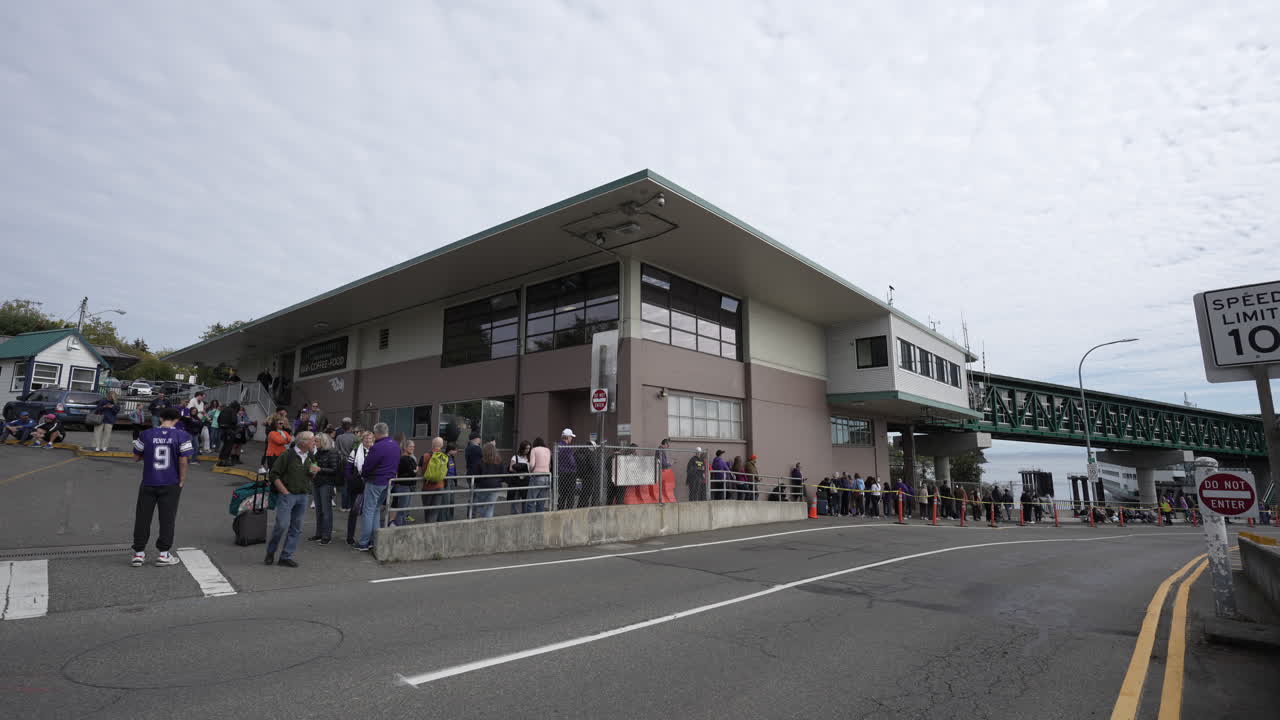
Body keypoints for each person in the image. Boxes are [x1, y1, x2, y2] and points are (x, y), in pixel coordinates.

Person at [129, 407, 193, 567]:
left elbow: (136, 457)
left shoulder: (146, 434)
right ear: (177, 420)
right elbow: (184, 460)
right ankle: (163, 554)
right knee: (167, 519)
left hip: (149, 481)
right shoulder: (182, 435)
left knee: (143, 517)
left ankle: (138, 553)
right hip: (170, 482)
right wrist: (182, 480)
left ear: (161, 418)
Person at [265, 430, 318, 567]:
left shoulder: (310, 456)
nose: (314, 443)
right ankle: (271, 552)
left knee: (296, 527)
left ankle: (286, 556)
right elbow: (274, 475)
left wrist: (313, 473)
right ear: (304, 443)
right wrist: (285, 492)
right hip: (288, 495)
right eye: (313, 440)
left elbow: (309, 476)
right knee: (281, 525)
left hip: (303, 495)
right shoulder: (287, 455)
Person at [356, 423, 398, 551]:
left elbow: (368, 465)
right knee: (375, 509)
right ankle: (374, 540)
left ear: (376, 433)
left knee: (368, 510)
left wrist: (364, 474)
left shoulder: (377, 447)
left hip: (375, 481)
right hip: (389, 481)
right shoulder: (395, 445)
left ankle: (364, 542)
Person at [308, 432, 339, 544]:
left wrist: (320, 469)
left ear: (323, 441)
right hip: (317, 483)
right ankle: (319, 533)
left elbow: (335, 470)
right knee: (319, 510)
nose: (314, 443)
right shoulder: (318, 452)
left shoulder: (332, 452)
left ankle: (326, 535)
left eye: (316, 441)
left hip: (327, 484)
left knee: (326, 511)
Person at [345, 431, 374, 545]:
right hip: (357, 485)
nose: (368, 441)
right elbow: (348, 468)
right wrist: (351, 479)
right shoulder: (355, 451)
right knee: (354, 511)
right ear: (362, 440)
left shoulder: (375, 451)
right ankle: (350, 536)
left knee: (368, 512)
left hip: (371, 485)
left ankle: (367, 538)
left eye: (370, 439)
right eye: (366, 438)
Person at [389, 439, 418, 526]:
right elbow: (411, 472)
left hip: (409, 486)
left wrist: (414, 471)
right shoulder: (402, 459)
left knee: (404, 510)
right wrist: (414, 471)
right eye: (410, 446)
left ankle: (400, 526)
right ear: (405, 447)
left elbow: (414, 471)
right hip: (403, 486)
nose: (412, 448)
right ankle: (398, 527)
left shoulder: (411, 458)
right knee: (401, 509)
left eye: (413, 446)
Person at [420, 436, 450, 522]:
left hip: (427, 487)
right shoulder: (445, 457)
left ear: (432, 444)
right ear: (442, 445)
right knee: (435, 511)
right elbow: (446, 472)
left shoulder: (425, 456)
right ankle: (432, 528)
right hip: (440, 486)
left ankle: (427, 527)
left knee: (427, 510)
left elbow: (419, 471)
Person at [472, 441, 505, 519]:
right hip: (495, 487)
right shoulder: (499, 461)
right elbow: (503, 474)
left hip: (483, 486)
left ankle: (482, 519)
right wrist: (499, 481)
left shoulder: (480, 462)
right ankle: (487, 522)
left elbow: (476, 476)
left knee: (479, 505)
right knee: (490, 507)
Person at [334, 419, 357, 510]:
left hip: (342, 461)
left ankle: (344, 505)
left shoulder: (339, 437)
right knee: (351, 484)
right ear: (351, 428)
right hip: (352, 461)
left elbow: (336, 450)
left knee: (344, 484)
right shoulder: (355, 438)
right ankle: (350, 505)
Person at [527, 437, 551, 513]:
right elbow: (549, 464)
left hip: (537, 476)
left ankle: (530, 518)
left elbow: (531, 464)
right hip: (547, 477)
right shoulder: (548, 450)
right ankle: (539, 519)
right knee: (541, 502)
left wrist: (530, 471)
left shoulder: (534, 450)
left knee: (530, 501)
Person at [556, 429, 578, 510]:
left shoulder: (558, 446)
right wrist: (575, 468)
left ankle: (560, 508)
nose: (571, 439)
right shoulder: (567, 447)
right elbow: (571, 461)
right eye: (571, 437)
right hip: (569, 473)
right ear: (567, 437)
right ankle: (569, 510)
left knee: (562, 493)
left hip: (560, 472)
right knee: (570, 493)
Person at [508, 440, 532, 514]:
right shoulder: (515, 457)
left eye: (529, 448)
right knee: (515, 500)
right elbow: (511, 468)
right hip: (516, 482)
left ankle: (523, 516)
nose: (527, 450)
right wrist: (519, 473)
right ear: (522, 448)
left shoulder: (529, 458)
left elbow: (530, 470)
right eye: (526, 448)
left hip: (526, 482)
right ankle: (514, 515)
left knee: (525, 501)